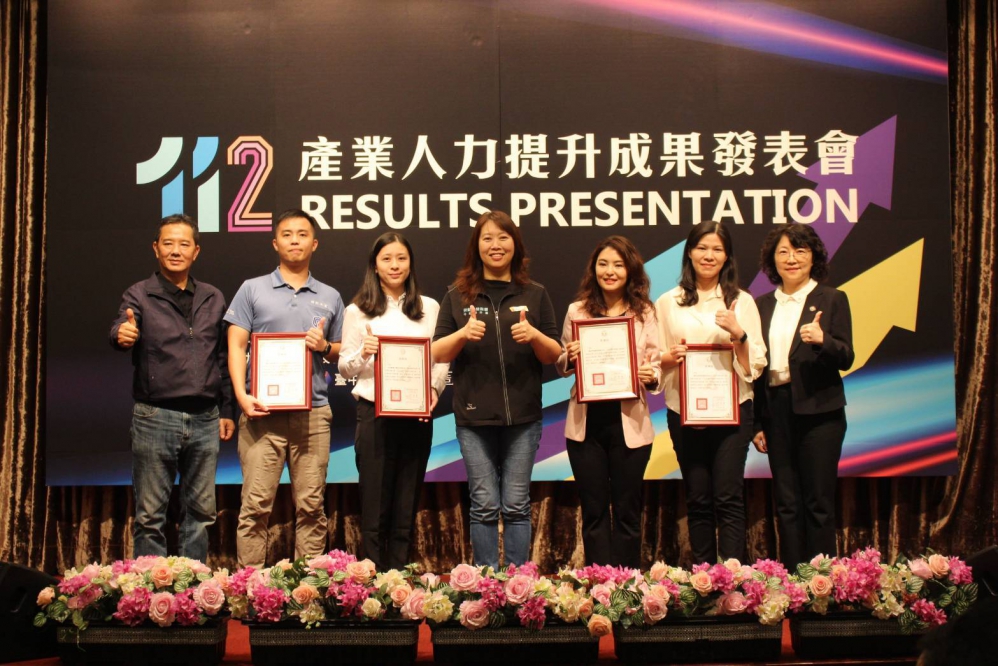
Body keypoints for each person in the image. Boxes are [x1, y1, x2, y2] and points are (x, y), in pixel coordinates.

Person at [432, 210, 562, 569]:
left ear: (515, 245)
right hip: (474, 420)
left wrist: (534, 336)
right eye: (487, 238)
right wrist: (463, 334)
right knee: (484, 505)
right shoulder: (457, 296)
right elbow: (436, 352)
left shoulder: (535, 294)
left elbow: (555, 354)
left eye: (503, 237)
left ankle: (519, 584)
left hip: (524, 418)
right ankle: (486, 584)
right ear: (476, 246)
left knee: (517, 505)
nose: (495, 245)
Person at [110, 213, 235, 563]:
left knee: (201, 513)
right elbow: (122, 326)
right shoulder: (139, 294)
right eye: (168, 243)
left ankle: (193, 585)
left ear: (196, 251)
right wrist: (122, 334)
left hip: (206, 418)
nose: (176, 250)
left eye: (184, 244)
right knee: (150, 516)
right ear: (156, 248)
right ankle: (150, 588)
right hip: (155, 416)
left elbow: (222, 358)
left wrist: (227, 410)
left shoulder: (212, 297)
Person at [225, 209, 344, 568]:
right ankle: (250, 585)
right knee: (255, 506)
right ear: (275, 242)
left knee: (311, 506)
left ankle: (308, 586)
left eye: (302, 234)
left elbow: (341, 350)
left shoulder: (330, 296)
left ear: (314, 243)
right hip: (262, 413)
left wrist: (324, 345)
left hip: (313, 415)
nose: (295, 240)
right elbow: (236, 345)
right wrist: (241, 396)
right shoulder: (252, 289)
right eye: (287, 234)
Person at [656, 221, 766, 565]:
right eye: (702, 247)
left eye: (717, 249)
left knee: (728, 498)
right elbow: (656, 359)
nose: (709, 255)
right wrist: (669, 357)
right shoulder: (668, 302)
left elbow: (754, 366)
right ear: (689, 252)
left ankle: (731, 578)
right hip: (684, 411)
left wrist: (738, 334)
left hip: (733, 411)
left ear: (727, 256)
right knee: (698, 499)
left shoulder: (742, 301)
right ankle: (702, 579)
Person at [338, 232, 449, 570]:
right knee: (374, 501)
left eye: (401, 258)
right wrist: (363, 352)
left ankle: (398, 578)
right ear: (375, 265)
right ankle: (372, 580)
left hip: (416, 414)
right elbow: (345, 366)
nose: (395, 265)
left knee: (407, 499)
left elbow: (441, 358)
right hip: (374, 412)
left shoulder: (429, 308)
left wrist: (433, 391)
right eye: (386, 259)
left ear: (410, 263)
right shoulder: (358, 311)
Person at [556, 236, 662, 568]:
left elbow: (657, 362)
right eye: (603, 264)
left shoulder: (645, 312)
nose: (610, 271)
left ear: (630, 270)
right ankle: (600, 584)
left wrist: (651, 375)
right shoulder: (577, 310)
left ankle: (627, 584)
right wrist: (570, 357)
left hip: (630, 424)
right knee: (594, 510)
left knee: (628, 511)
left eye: (618, 264)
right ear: (594, 269)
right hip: (586, 425)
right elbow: (562, 362)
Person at [752, 224, 854, 566]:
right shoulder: (761, 305)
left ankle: (820, 581)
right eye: (783, 252)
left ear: (814, 257)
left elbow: (846, 356)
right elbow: (756, 367)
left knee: (818, 502)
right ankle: (794, 581)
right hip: (776, 410)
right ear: (773, 261)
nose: (791, 259)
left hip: (820, 412)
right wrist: (757, 423)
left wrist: (823, 341)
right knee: (787, 502)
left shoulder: (832, 298)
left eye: (800, 251)